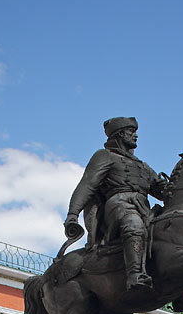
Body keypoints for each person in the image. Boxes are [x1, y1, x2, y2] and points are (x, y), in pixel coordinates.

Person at [65, 117, 171, 291]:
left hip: (144, 208)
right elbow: (87, 185)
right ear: (120, 134)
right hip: (119, 205)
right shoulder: (104, 156)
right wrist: (72, 214)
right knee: (134, 226)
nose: (136, 136)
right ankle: (135, 275)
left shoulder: (142, 166)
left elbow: (161, 190)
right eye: (131, 132)